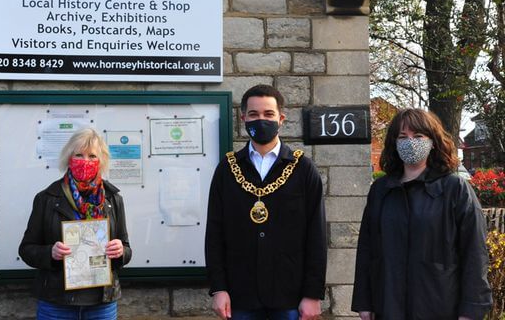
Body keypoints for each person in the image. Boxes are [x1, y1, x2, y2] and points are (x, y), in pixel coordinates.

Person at [352, 108, 492, 319]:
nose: (410, 142)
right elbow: (367, 248)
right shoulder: (381, 190)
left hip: (440, 305)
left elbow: (474, 253)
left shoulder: (455, 189)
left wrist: (471, 309)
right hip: (388, 305)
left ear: (432, 141)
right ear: (395, 142)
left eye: (418, 136)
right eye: (403, 137)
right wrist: (364, 301)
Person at [205, 84, 326, 320]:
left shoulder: (303, 169)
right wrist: (218, 288)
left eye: (268, 114)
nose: (261, 120)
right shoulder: (228, 169)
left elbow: (316, 235)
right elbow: (215, 232)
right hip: (241, 294)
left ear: (281, 119)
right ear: (243, 119)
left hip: (290, 294)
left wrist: (313, 294)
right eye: (253, 114)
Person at [19, 128, 131, 320]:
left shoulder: (113, 199)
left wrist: (121, 251)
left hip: (101, 303)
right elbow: (26, 249)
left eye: (92, 156)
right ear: (69, 157)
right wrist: (50, 253)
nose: (85, 161)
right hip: (56, 303)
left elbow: (126, 248)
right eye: (79, 155)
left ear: (101, 161)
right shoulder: (46, 198)